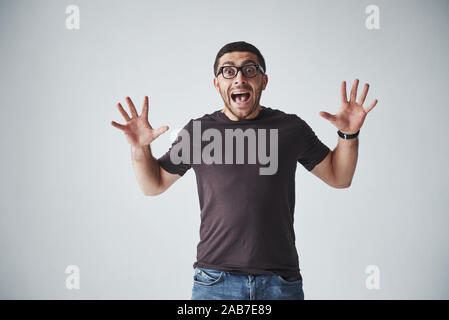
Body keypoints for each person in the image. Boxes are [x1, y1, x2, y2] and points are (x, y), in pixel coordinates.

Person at [111, 41, 378, 300]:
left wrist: (348, 133)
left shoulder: (290, 129)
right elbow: (153, 185)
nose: (239, 78)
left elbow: (339, 177)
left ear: (263, 81)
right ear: (217, 84)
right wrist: (139, 149)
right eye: (228, 71)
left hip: (280, 283)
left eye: (250, 70)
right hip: (214, 282)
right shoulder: (198, 132)